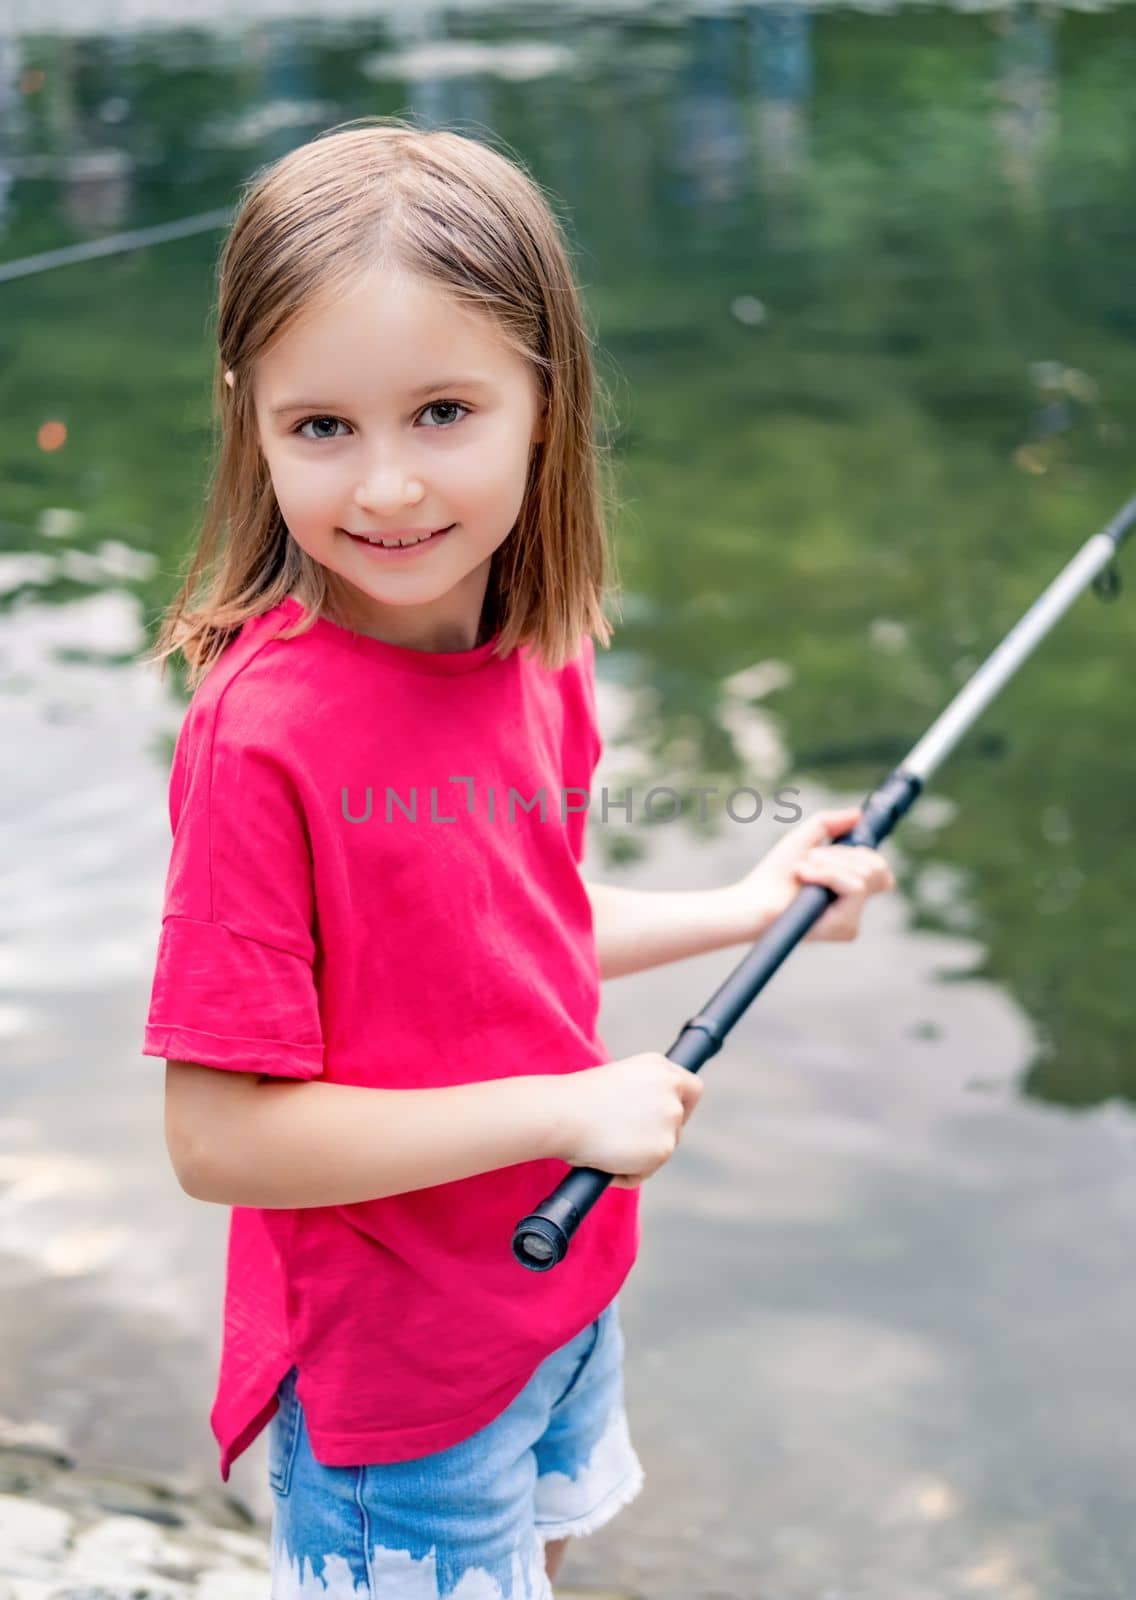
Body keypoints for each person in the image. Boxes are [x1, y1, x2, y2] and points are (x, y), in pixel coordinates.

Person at [139, 115, 896, 1599]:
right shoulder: (261, 736)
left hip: (552, 1297)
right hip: (396, 1375)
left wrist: (747, 906)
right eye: (322, 428)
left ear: (543, 398)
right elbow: (218, 1139)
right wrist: (566, 1108)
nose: (390, 491)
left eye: (441, 413)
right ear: (250, 419)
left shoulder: (536, 645)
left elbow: (499, 924)